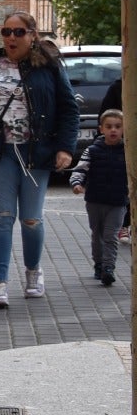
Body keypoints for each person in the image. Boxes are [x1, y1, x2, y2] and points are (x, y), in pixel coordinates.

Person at [0, 12, 77, 308]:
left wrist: (65, 148)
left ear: (32, 35)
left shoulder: (49, 66)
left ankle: (33, 272)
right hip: (1, 153)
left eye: (18, 32)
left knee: (31, 219)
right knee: (2, 217)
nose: (11, 38)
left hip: (36, 153)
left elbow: (68, 109)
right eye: (6, 31)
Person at [71, 110, 126, 286]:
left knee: (111, 236)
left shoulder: (128, 151)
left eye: (118, 127)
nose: (113, 130)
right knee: (97, 235)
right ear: (101, 129)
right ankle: (99, 264)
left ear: (124, 129)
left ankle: (109, 268)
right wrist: (77, 184)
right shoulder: (93, 150)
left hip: (117, 201)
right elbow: (80, 169)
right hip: (95, 200)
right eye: (109, 127)